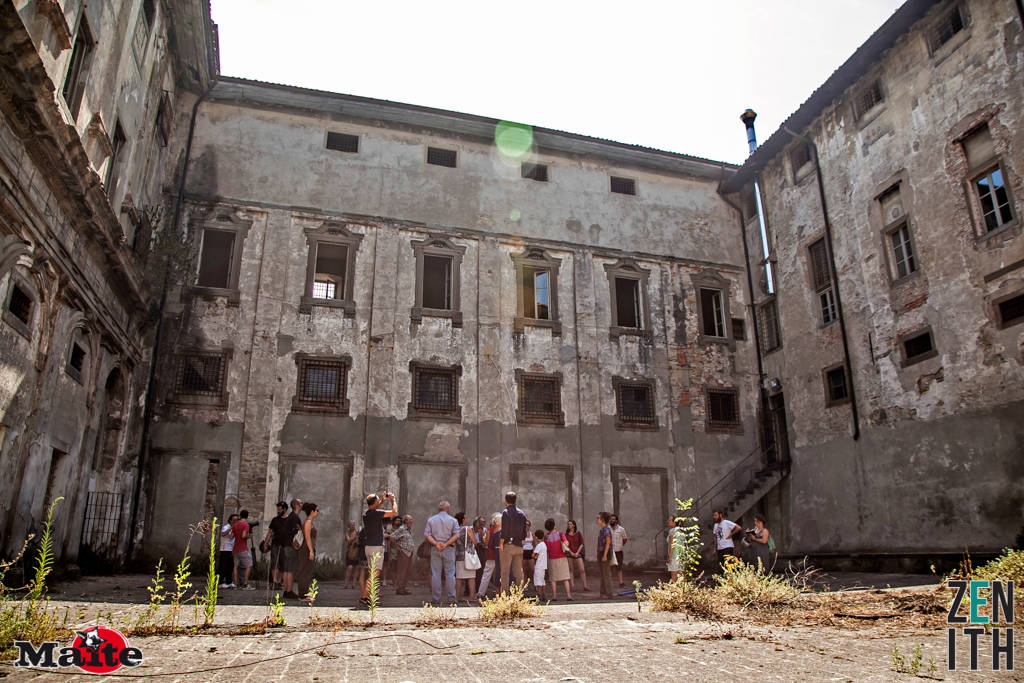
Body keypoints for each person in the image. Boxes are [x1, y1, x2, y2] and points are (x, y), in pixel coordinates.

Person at [361, 492, 398, 605]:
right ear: (375, 502)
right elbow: (394, 512)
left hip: (368, 546)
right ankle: (364, 597)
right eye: (378, 500)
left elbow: (376, 509)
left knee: (372, 573)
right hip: (376, 546)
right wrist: (393, 500)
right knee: (375, 573)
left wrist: (382, 501)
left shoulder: (366, 513)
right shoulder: (376, 513)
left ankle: (371, 597)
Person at [424, 500, 459, 605]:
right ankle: (451, 598)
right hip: (449, 548)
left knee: (436, 574)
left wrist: (436, 543)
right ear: (448, 509)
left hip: (435, 549)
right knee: (450, 574)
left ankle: (436, 598)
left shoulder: (431, 520)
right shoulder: (453, 520)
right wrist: (446, 544)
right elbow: (456, 535)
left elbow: (427, 534)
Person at [264, 501, 301, 599]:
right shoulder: (275, 520)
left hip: (285, 545)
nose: (278, 510)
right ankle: (275, 582)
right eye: (277, 509)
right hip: (276, 544)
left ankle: (281, 583)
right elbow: (270, 532)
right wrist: (266, 543)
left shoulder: (289, 519)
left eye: (280, 509)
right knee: (275, 563)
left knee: (284, 565)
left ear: (284, 509)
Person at [499, 491, 527, 594]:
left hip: (508, 545)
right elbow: (525, 530)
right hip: (519, 545)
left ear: (506, 500)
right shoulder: (522, 513)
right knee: (519, 572)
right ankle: (519, 595)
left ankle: (505, 596)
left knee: (505, 572)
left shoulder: (505, 512)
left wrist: (501, 543)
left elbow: (504, 530)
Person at [543, 518, 572, 601]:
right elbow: (566, 543)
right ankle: (568, 595)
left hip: (552, 559)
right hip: (562, 557)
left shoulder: (546, 537)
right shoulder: (560, 534)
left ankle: (554, 596)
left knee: (553, 579)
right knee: (565, 578)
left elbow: (547, 549)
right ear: (554, 526)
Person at [295, 502, 318, 600]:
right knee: (304, 570)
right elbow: (307, 537)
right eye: (317, 510)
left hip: (308, 548)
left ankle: (304, 592)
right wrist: (311, 551)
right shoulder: (308, 522)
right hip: (306, 548)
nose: (317, 512)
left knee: (307, 570)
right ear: (312, 511)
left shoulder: (309, 522)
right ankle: (302, 594)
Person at [453, 512, 478, 601]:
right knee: (471, 577)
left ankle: (458, 596)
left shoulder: (455, 530)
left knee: (459, 577)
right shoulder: (467, 529)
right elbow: (475, 542)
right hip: (469, 554)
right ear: (463, 520)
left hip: (459, 554)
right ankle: (472, 596)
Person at [476, 513, 501, 600]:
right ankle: (500, 592)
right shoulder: (503, 530)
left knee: (486, 574)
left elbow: (486, 542)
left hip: (490, 553)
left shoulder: (489, 530)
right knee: (500, 574)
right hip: (499, 554)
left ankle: (481, 592)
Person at [391, 514, 415, 595]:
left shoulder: (408, 529)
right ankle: (399, 589)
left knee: (407, 571)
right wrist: (397, 547)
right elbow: (392, 537)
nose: (412, 521)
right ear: (406, 521)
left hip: (409, 553)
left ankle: (403, 587)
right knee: (402, 571)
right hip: (403, 553)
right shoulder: (402, 529)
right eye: (410, 519)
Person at [232, 510, 255, 590]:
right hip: (242, 549)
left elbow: (231, 536)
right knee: (249, 565)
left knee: (235, 566)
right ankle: (245, 584)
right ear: (247, 516)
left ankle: (235, 584)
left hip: (235, 548)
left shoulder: (235, 525)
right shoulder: (245, 525)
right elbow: (243, 535)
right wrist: (250, 536)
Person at [565, 519, 589, 592]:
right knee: (571, 570)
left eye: (571, 524)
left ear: (574, 525)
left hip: (578, 553)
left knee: (582, 569)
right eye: (568, 524)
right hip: (570, 553)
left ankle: (585, 586)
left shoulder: (578, 533)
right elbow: (565, 545)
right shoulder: (566, 535)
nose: (569, 525)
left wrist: (577, 553)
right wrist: (571, 552)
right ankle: (572, 586)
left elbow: (581, 543)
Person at [218, 513, 238, 588]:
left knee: (230, 566)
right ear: (230, 520)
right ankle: (220, 582)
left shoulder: (235, 528)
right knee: (223, 566)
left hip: (231, 549)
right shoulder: (226, 527)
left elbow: (232, 537)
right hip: (225, 549)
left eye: (237, 520)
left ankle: (229, 581)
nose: (236, 521)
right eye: (234, 520)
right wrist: (231, 528)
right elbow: (223, 534)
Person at [596, 511, 613, 598]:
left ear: (602, 520)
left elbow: (608, 542)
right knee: (602, 574)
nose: (597, 519)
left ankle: (609, 593)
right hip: (601, 553)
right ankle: (603, 593)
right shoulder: (602, 530)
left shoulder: (606, 529)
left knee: (606, 574)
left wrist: (605, 555)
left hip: (604, 553)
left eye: (598, 518)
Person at [609, 514, 628, 588]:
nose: (611, 520)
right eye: (611, 519)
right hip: (610, 551)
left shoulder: (621, 529)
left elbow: (625, 539)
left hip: (618, 551)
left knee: (619, 567)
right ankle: (609, 583)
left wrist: (620, 545)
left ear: (616, 521)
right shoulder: (608, 529)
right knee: (610, 567)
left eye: (613, 519)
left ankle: (621, 582)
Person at [666, 515, 685, 582]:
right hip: (681, 556)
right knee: (681, 576)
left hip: (674, 556)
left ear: (674, 522)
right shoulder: (681, 531)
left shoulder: (672, 531)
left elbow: (672, 544)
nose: (668, 521)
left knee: (674, 576)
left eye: (670, 520)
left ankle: (674, 591)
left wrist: (669, 556)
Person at [531, 529, 547, 600]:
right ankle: (544, 595)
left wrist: (535, 556)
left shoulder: (539, 545)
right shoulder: (544, 544)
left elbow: (533, 555)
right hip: (543, 565)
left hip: (539, 565)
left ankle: (539, 595)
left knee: (538, 581)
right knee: (542, 580)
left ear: (536, 537)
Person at [472, 516, 488, 587]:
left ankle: (479, 586)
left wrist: (481, 536)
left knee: (481, 569)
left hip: (481, 550)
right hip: (473, 550)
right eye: (481, 522)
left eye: (484, 522)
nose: (482, 524)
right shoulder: (471, 529)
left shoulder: (485, 530)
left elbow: (486, 543)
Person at [343, 521, 359, 588]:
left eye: (354, 525)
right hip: (350, 552)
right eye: (351, 525)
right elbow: (348, 540)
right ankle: (346, 583)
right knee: (349, 567)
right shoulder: (348, 533)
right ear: (349, 526)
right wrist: (355, 537)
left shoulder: (357, 532)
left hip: (356, 552)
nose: (353, 526)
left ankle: (354, 584)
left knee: (356, 568)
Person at [521, 520, 534, 584]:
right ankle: (524, 584)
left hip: (530, 552)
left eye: (528, 524)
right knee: (524, 569)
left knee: (532, 569)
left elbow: (534, 544)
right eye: (525, 524)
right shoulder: (521, 533)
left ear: (530, 526)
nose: (526, 526)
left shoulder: (532, 533)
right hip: (523, 552)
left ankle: (533, 581)